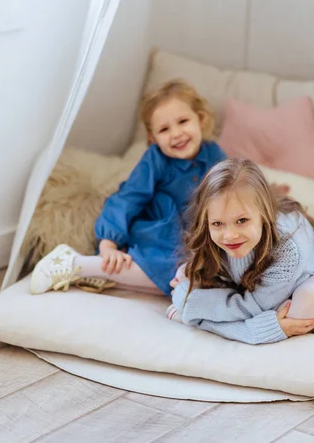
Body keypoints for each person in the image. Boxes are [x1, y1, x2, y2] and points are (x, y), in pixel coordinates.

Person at [30, 79, 226, 296]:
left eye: (183, 121)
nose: (176, 133)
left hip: (192, 233)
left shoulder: (213, 153)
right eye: (164, 129)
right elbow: (128, 198)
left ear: (200, 119)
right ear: (153, 138)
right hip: (159, 230)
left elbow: (229, 192)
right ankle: (73, 262)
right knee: (174, 269)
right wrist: (109, 243)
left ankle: (96, 275)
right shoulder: (155, 159)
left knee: (200, 275)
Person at [167, 158, 314, 342]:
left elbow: (255, 305)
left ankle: (296, 310)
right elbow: (244, 300)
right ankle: (283, 308)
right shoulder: (215, 239)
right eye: (218, 223)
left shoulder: (287, 248)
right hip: (261, 287)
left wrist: (190, 305)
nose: (229, 235)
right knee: (184, 274)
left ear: (264, 215)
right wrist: (192, 298)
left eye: (242, 221)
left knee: (311, 301)